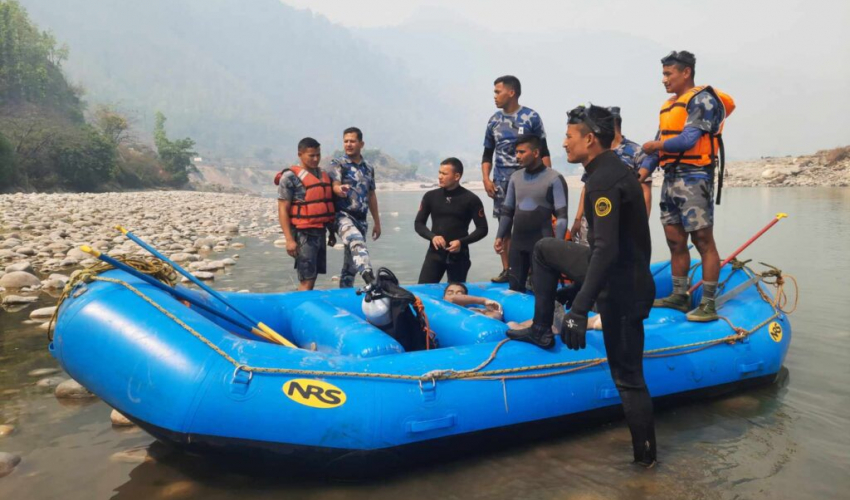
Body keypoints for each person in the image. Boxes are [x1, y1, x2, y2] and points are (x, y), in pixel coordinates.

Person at [507, 105, 657, 467]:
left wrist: (578, 310)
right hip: (617, 270)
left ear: (589, 139)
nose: (563, 143)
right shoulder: (605, 172)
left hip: (624, 288)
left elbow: (607, 249)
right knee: (545, 249)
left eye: (569, 136)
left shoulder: (605, 180)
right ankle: (541, 328)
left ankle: (647, 465)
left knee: (629, 380)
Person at [638, 51, 735, 322]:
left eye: (668, 74)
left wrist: (655, 145)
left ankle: (708, 303)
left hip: (695, 177)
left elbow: (687, 140)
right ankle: (679, 296)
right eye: (663, 74)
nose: (664, 79)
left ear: (686, 72)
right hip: (671, 178)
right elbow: (658, 149)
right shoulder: (670, 106)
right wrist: (641, 174)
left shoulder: (702, 99)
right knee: (674, 239)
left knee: (702, 240)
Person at [481, 75, 550, 283]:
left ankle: (532, 270)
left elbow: (544, 150)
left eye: (498, 91)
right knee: (504, 224)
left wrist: (547, 180)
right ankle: (507, 269)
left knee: (531, 223)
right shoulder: (493, 120)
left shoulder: (531, 117)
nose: (494, 96)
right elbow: (487, 154)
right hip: (501, 182)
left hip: (529, 181)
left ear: (511, 92)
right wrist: (486, 179)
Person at [494, 135, 568, 292]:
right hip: (518, 244)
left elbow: (562, 216)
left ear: (535, 153)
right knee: (515, 288)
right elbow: (507, 211)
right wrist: (499, 236)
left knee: (542, 291)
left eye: (522, 152)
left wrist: (558, 245)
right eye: (516, 152)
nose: (517, 156)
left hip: (542, 244)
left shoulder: (554, 179)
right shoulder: (515, 177)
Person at [571, 107, 649, 245]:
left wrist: (640, 225)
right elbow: (586, 186)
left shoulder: (636, 151)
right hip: (590, 223)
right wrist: (577, 219)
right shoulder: (596, 151)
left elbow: (644, 191)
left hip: (620, 223)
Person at [415, 158, 488, 284]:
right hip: (435, 254)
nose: (440, 177)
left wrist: (461, 242)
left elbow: (482, 229)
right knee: (423, 291)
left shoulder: (471, 199)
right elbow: (418, 223)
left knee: (456, 292)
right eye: (439, 172)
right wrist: (432, 237)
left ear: (457, 176)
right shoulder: (430, 196)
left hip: (459, 255)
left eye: (444, 174)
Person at [277, 137, 335, 291]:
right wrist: (289, 240)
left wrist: (331, 233)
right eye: (311, 155)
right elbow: (283, 209)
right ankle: (298, 303)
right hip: (303, 234)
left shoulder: (322, 175)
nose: (316, 159)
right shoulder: (289, 177)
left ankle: (301, 300)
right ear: (300, 154)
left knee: (312, 277)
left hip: (320, 232)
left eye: (318, 155)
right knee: (306, 279)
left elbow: (325, 204)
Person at [328, 127, 381, 287]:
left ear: (361, 144)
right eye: (346, 141)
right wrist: (339, 189)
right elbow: (335, 185)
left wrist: (377, 223)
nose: (348, 144)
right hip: (342, 216)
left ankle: (344, 293)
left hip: (361, 219)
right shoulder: (338, 164)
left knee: (350, 266)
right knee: (356, 241)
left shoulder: (368, 168)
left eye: (352, 141)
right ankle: (370, 279)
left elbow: (371, 195)